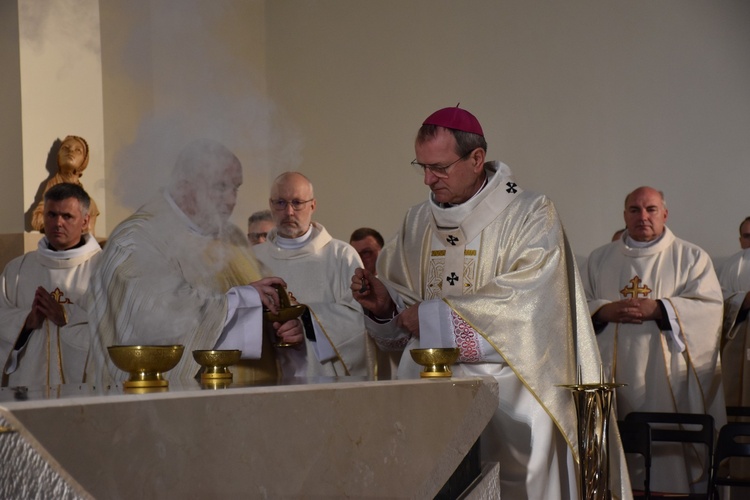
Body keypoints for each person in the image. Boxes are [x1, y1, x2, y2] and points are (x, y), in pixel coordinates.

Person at [351, 106, 630, 499]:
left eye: (441, 168)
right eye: (423, 166)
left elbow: (530, 310)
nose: (429, 179)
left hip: (512, 388)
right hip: (429, 392)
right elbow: (405, 316)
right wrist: (384, 307)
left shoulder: (531, 213)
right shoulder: (416, 223)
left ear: (477, 159)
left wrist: (433, 318)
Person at [87, 139, 303, 384]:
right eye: (220, 187)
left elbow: (265, 313)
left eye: (236, 188)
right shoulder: (136, 238)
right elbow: (152, 319)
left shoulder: (232, 238)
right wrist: (242, 303)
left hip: (249, 404)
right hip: (180, 411)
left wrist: (285, 330)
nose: (232, 200)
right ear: (184, 185)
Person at [585, 186, 725, 494]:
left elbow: (711, 308)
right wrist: (603, 310)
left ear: (664, 214)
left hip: (667, 382)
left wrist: (661, 308)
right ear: (624, 216)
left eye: (650, 209)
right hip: (613, 375)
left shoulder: (691, 256)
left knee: (667, 450)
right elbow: (574, 305)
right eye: (634, 210)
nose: (643, 216)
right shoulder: (599, 259)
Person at [252, 172, 371, 378]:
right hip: (268, 374)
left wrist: (308, 326)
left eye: (297, 202)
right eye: (280, 202)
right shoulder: (254, 258)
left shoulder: (341, 255)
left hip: (323, 377)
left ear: (313, 205)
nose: (289, 211)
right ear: (270, 205)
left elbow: (361, 317)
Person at [1, 183, 101, 387]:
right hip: (25, 389)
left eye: (67, 216)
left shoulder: (104, 269)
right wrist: (25, 322)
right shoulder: (17, 270)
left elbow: (116, 330)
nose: (58, 223)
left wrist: (67, 316)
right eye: (52, 215)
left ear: (85, 221)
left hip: (82, 393)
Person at [348, 227, 399, 379]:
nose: (361, 259)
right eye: (355, 254)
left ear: (381, 251)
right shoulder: (349, 286)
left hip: (395, 361)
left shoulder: (396, 280)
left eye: (367, 252)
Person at [31, 135, 100, 237]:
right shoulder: (53, 186)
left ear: (84, 161)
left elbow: (90, 233)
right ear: (58, 156)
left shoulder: (89, 203)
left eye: (78, 150)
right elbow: (37, 220)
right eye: (65, 148)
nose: (70, 152)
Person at [718, 216, 750, 408]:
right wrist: (743, 300)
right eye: (747, 236)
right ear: (740, 240)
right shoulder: (730, 265)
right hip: (738, 336)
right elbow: (717, 301)